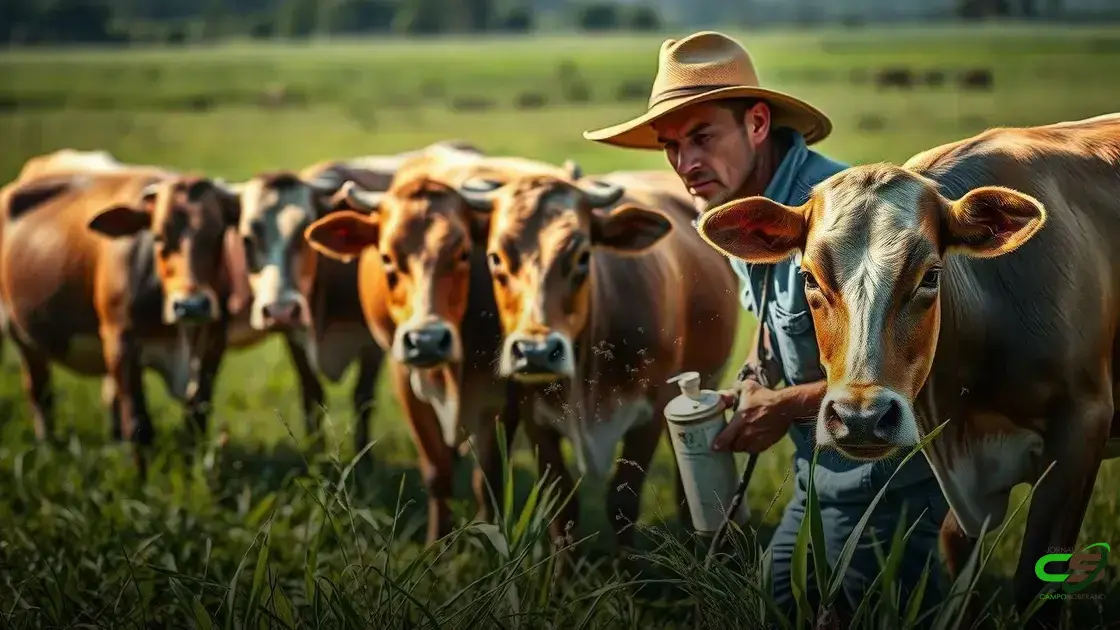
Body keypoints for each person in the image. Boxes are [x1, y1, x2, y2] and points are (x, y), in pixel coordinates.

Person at [582, 31, 950, 623]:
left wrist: (783, 407)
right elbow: (774, 322)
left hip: (884, 470)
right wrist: (753, 379)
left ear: (757, 123)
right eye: (671, 145)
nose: (685, 164)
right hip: (817, 469)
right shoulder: (740, 212)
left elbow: (923, 362)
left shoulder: (848, 216)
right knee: (776, 604)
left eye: (702, 137)